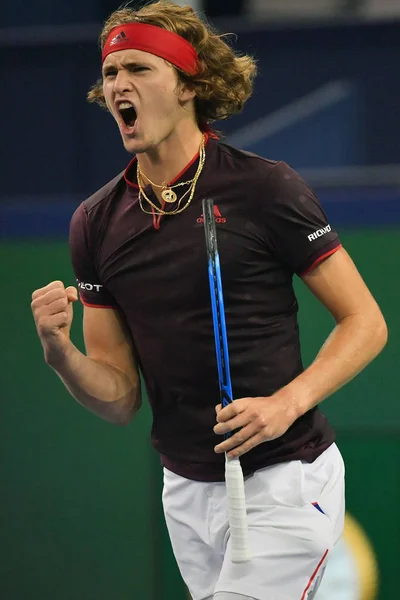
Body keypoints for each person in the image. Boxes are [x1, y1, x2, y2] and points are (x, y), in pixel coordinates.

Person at [30, 2, 388, 599]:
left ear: (189, 85)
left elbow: (366, 321)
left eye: (139, 68)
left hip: (286, 479)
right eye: (111, 71)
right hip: (186, 494)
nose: (119, 83)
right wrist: (58, 352)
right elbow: (120, 397)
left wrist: (285, 403)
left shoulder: (265, 187)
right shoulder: (94, 224)